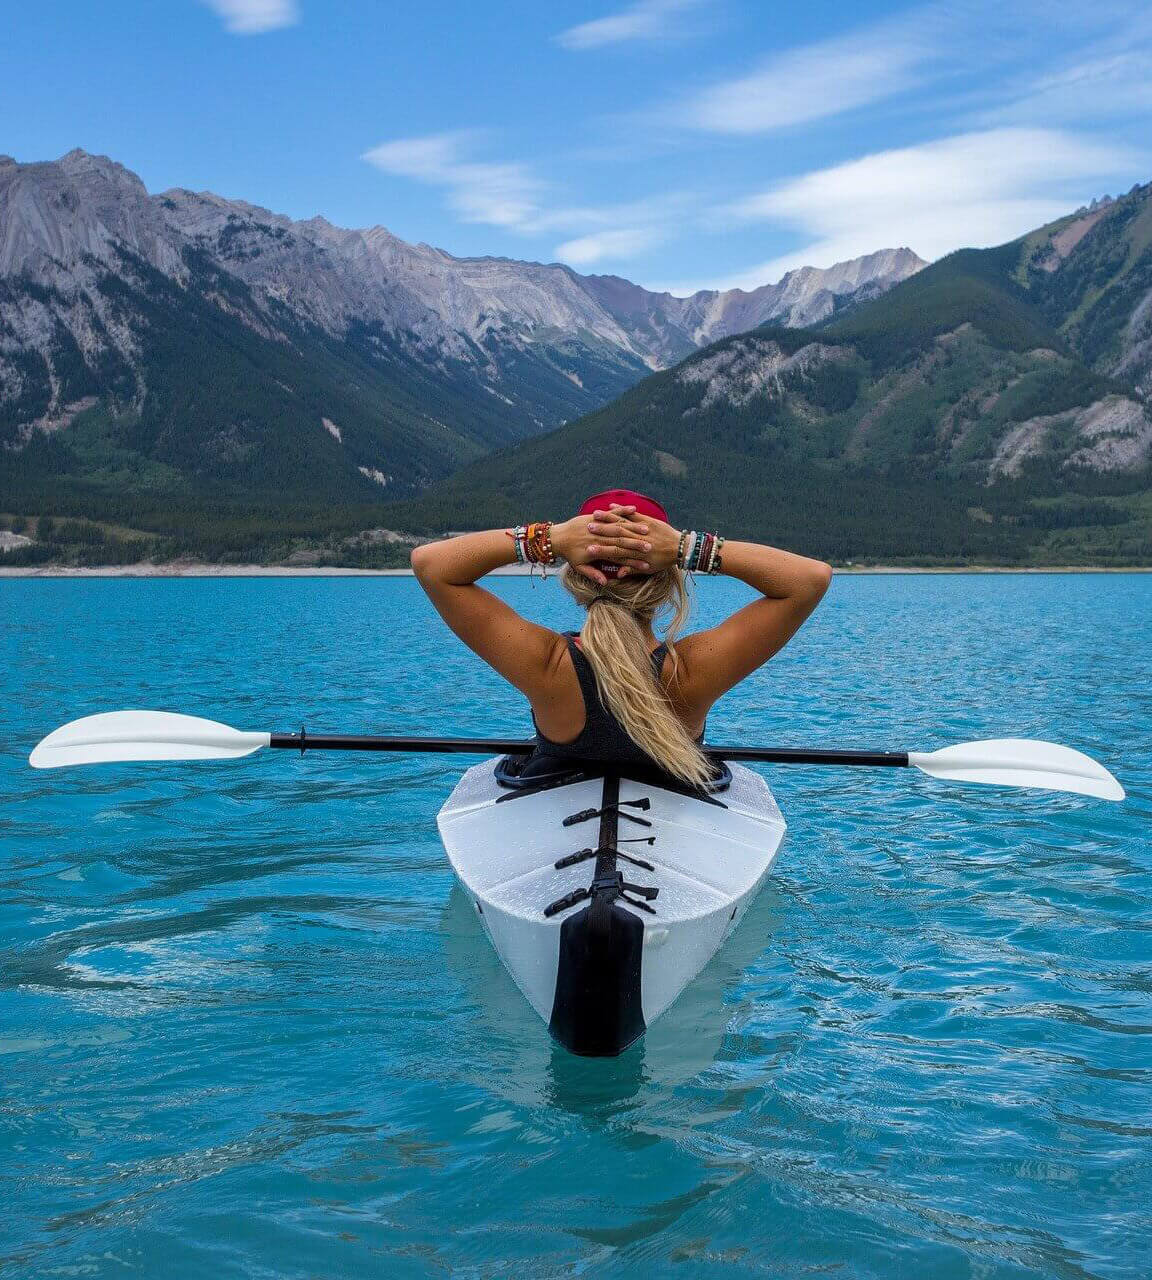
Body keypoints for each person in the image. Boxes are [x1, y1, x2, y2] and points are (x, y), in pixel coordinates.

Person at [411, 489, 832, 787]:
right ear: (667, 580)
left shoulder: (545, 664)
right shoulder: (690, 671)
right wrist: (686, 546)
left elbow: (432, 565)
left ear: (576, 576)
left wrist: (552, 538)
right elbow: (809, 579)